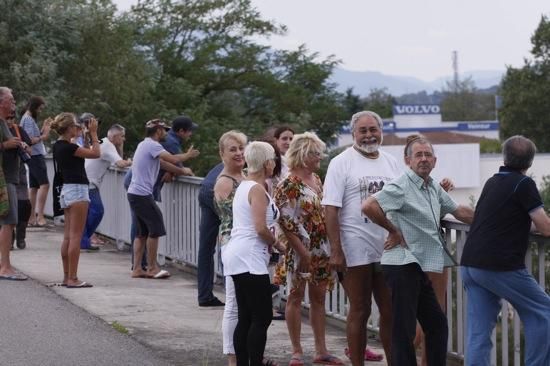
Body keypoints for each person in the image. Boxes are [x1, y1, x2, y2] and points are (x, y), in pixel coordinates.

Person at [362, 135, 474, 365]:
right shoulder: (402, 185)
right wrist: (392, 230)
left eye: (427, 155)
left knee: (437, 325)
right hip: (401, 264)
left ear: (435, 160)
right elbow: (369, 205)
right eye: (418, 155)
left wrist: (492, 217)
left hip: (418, 265)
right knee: (404, 330)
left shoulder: (432, 186)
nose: (423, 159)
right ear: (408, 160)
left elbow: (458, 211)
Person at [460, 135, 550, 366]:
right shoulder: (524, 184)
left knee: (479, 331)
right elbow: (545, 227)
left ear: (504, 158)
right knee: (544, 312)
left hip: (470, 264)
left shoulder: (492, 181)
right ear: (529, 163)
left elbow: (511, 219)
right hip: (499, 266)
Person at [322, 110, 399, 365]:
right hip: (355, 247)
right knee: (360, 309)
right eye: (363, 131)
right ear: (354, 133)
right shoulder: (341, 162)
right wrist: (336, 250)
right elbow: (330, 208)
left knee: (389, 311)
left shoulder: (391, 162)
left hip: (387, 247)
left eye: (373, 129)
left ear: (381, 131)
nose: (368, 135)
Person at [274, 132, 343, 366]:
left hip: (320, 246)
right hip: (298, 248)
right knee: (294, 296)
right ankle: (296, 350)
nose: (320, 157)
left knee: (319, 297)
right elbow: (285, 221)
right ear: (304, 155)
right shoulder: (288, 184)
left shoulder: (316, 179)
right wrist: (302, 252)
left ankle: (321, 349)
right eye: (316, 153)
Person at [221, 141, 280, 366]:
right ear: (266, 163)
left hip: (239, 254)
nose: (274, 162)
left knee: (246, 315)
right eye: (272, 158)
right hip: (249, 256)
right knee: (262, 316)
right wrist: (279, 245)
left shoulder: (244, 185)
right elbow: (260, 227)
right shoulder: (255, 189)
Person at [128, 119, 193, 279]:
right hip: (142, 194)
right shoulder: (153, 145)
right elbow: (172, 159)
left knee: (141, 233)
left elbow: (163, 164)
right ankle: (152, 268)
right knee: (155, 229)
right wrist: (188, 155)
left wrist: (182, 171)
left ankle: (137, 269)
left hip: (135, 193)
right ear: (158, 131)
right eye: (164, 130)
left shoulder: (143, 144)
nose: (166, 133)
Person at [50, 112, 101, 287]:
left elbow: (83, 151)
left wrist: (84, 136)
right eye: (75, 126)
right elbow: (96, 154)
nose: (78, 128)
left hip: (66, 191)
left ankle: (66, 276)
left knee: (67, 237)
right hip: (78, 190)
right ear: (69, 128)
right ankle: (73, 278)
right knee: (76, 237)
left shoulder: (59, 146)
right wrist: (94, 134)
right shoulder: (70, 148)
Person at [213, 131, 247, 365]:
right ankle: (232, 358)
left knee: (248, 304)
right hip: (233, 244)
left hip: (249, 246)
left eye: (241, 148)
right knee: (234, 303)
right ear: (222, 153)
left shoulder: (244, 177)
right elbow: (231, 216)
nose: (238, 153)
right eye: (233, 149)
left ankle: (247, 352)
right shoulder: (225, 181)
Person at [81, 122, 132, 251]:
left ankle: (83, 240)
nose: (124, 139)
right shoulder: (108, 147)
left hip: (85, 180)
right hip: (90, 182)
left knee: (89, 212)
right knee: (97, 211)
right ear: (115, 136)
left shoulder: (103, 142)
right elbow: (120, 163)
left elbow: (117, 158)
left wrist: (120, 146)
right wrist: (132, 162)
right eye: (122, 136)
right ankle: (83, 239)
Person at [0, 87, 28, 280]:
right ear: (1, 102)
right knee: (9, 222)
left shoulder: (3, 123)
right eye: (11, 100)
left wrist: (18, 143)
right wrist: (5, 145)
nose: (14, 103)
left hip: (9, 177)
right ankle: (5, 267)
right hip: (4, 179)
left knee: (6, 222)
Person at [20, 95, 50, 227]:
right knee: (45, 184)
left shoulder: (28, 119)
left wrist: (43, 128)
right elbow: (29, 140)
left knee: (34, 187)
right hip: (35, 155)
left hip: (34, 155)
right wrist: (44, 136)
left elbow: (33, 136)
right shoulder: (27, 119)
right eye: (39, 109)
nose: (40, 112)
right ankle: (40, 216)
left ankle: (31, 217)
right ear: (34, 107)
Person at [197, 162, 224, 307]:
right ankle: (235, 294)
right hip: (219, 190)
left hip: (206, 188)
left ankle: (204, 295)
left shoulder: (237, 152)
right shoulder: (256, 154)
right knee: (230, 241)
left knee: (206, 248)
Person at [6, 115, 33, 250]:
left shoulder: (18, 129)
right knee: (7, 206)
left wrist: (23, 145)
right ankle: (8, 237)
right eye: (7, 117)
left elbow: (30, 151)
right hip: (4, 171)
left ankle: (21, 235)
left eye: (12, 117)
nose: (9, 120)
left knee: (24, 204)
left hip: (19, 170)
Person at [156, 115, 199, 195]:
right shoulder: (171, 142)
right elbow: (177, 163)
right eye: (190, 130)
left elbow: (166, 161)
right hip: (144, 188)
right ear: (181, 131)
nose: (191, 133)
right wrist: (185, 170)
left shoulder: (170, 138)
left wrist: (170, 172)